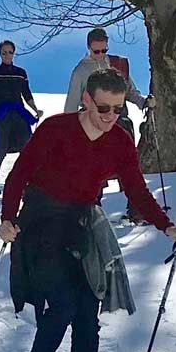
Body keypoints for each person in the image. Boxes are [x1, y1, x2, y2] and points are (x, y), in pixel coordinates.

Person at [0, 69, 176, 352]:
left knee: (87, 313)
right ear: (86, 99)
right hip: (39, 224)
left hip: (81, 229)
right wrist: (8, 218)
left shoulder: (119, 142)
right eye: (103, 107)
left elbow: (136, 190)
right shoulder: (56, 129)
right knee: (64, 305)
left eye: (117, 109)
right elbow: (19, 174)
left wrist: (167, 226)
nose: (109, 116)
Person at [64, 26, 155, 220]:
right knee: (92, 167)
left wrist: (143, 102)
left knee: (129, 163)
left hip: (119, 120)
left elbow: (130, 90)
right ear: (89, 48)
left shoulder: (116, 64)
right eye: (96, 51)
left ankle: (136, 208)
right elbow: (71, 103)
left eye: (104, 50)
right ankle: (90, 210)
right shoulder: (81, 71)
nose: (100, 55)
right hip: (93, 123)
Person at [0, 40, 43, 196]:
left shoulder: (21, 73)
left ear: (14, 53)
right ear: (0, 54)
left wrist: (35, 109)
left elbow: (26, 93)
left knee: (26, 148)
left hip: (19, 112)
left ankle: (27, 181)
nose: (7, 55)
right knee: (1, 148)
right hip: (2, 112)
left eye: (10, 52)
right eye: (4, 52)